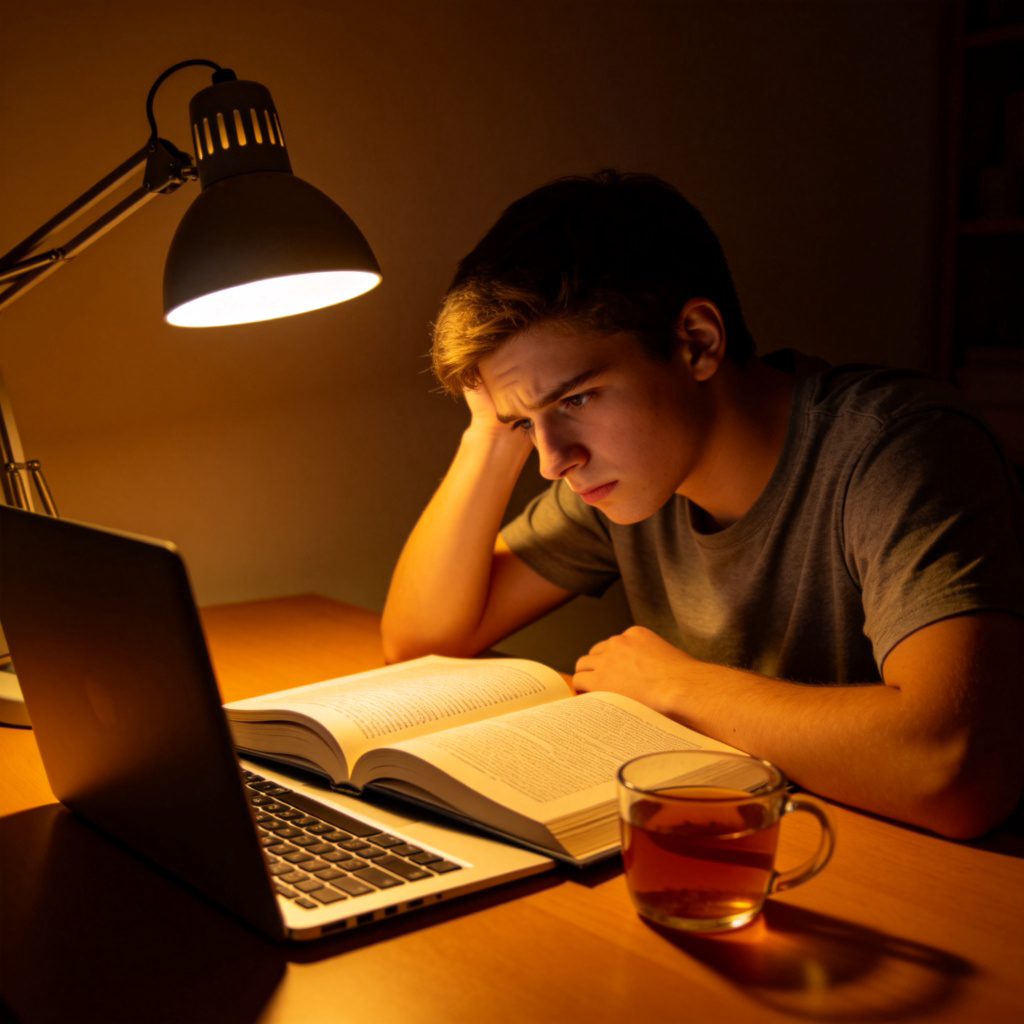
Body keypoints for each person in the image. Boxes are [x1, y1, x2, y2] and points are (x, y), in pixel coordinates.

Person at [382, 169, 1024, 840]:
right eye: (526, 424)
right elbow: (424, 638)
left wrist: (677, 687)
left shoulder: (900, 448)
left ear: (697, 342)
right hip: (764, 848)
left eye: (575, 399)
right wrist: (491, 428)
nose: (552, 461)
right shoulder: (631, 479)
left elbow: (958, 772)